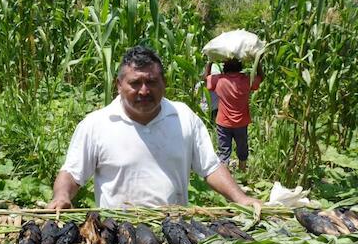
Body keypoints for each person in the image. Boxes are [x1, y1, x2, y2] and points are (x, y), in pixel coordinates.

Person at [47, 46, 261, 210]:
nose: (144, 91)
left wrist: (241, 198)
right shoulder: (96, 125)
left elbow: (211, 167)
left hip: (174, 233)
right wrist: (61, 196)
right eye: (135, 83)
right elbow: (72, 174)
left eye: (151, 82)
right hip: (118, 239)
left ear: (164, 83)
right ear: (118, 85)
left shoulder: (183, 117)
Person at [205, 58, 264, 171]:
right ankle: (242, 172)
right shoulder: (247, 80)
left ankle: (224, 179)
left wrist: (210, 61)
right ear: (240, 66)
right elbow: (260, 78)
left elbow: (206, 78)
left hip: (223, 122)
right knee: (242, 148)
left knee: (223, 151)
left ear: (225, 67)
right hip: (241, 123)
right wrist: (257, 62)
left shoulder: (219, 80)